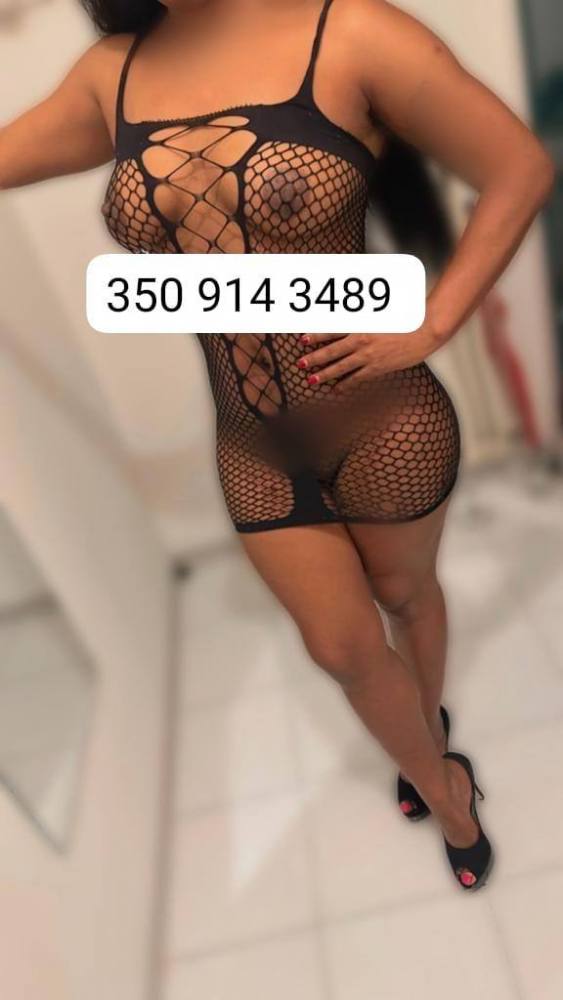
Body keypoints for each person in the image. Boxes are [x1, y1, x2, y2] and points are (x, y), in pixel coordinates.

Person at [0, 0, 554, 891]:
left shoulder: (352, 32)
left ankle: (436, 758)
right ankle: (441, 783)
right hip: (251, 440)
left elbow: (518, 166)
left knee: (405, 597)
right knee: (340, 649)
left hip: (381, 422)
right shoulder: (112, 74)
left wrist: (432, 322)